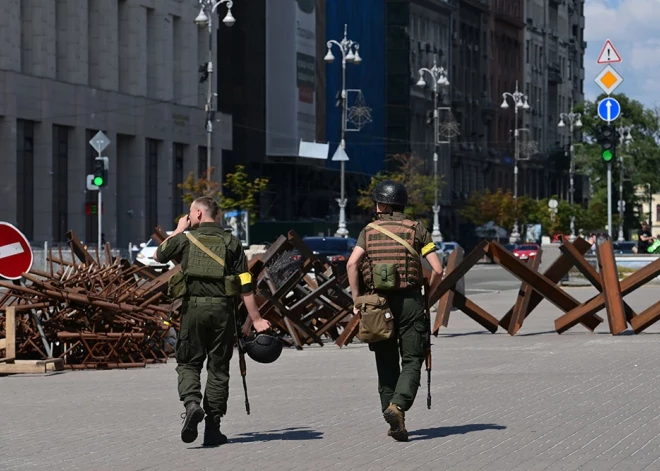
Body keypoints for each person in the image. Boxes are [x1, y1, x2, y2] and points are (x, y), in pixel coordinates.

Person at [155, 196, 271, 446]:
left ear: (197, 214)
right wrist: (257, 319)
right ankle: (213, 428)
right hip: (223, 312)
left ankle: (192, 404)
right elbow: (245, 285)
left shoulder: (184, 240)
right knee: (218, 369)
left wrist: (178, 230)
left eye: (189, 213)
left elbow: (159, 255)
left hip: (193, 310)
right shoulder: (231, 242)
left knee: (187, 362)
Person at [346, 180, 443, 442]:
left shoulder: (368, 230)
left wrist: (357, 301)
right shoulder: (416, 229)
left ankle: (392, 417)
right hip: (410, 302)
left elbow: (352, 264)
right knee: (412, 359)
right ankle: (397, 407)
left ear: (382, 204)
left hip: (377, 305)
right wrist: (427, 296)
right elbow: (438, 269)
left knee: (386, 363)